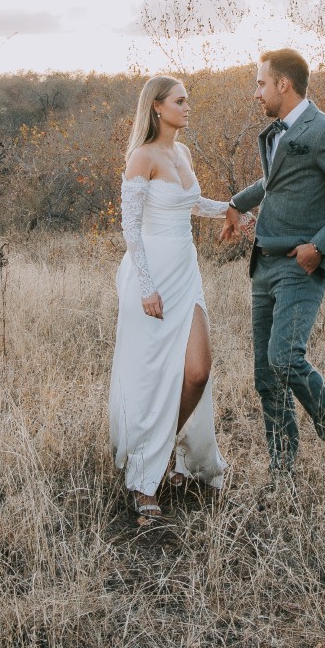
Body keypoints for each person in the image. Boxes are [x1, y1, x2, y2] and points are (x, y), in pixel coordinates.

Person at [221, 49, 325, 478]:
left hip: (299, 267)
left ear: (283, 84)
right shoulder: (278, 132)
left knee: (286, 359)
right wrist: (237, 204)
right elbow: (272, 181)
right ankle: (282, 474)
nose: (257, 93)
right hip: (263, 265)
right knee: (267, 377)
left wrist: (320, 247)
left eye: (260, 83)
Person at [109, 75, 229, 525]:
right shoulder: (142, 157)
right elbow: (131, 228)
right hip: (151, 277)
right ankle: (145, 480)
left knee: (198, 369)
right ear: (157, 107)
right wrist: (145, 287)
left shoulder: (182, 153)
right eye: (180, 101)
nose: (188, 106)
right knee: (150, 379)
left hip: (186, 274)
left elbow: (191, 205)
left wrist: (235, 210)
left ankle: (162, 455)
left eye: (188, 100)